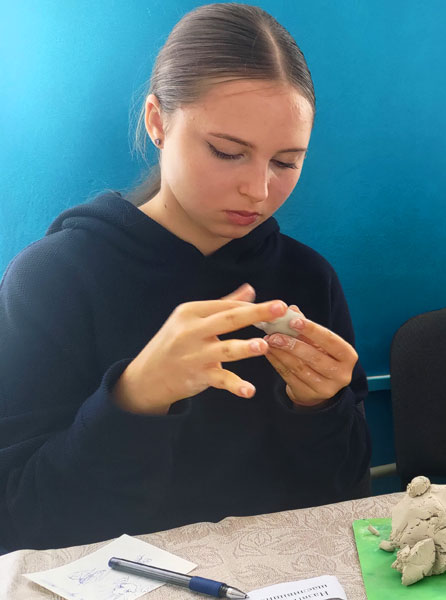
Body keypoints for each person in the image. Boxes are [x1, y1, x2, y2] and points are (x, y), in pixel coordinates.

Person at [0, 3, 371, 552]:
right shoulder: (52, 280)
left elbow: (344, 501)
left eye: (285, 162)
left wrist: (320, 409)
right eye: (227, 152)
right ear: (157, 121)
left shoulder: (308, 278)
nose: (258, 191)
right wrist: (135, 398)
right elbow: (19, 523)